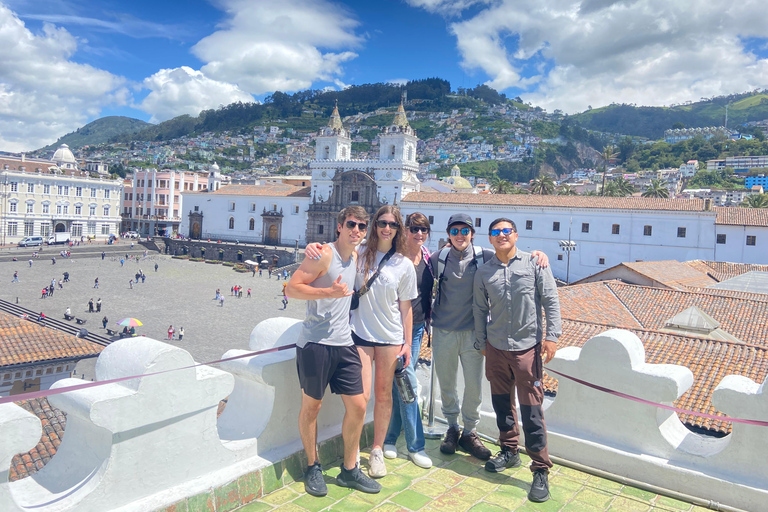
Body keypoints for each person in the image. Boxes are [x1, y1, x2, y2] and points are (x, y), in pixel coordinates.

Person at [307, 205, 418, 478]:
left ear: (398, 228)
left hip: (390, 337)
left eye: (392, 224)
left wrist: (406, 342)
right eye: (382, 222)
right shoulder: (359, 255)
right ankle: (353, 453)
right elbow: (335, 254)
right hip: (359, 335)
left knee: (383, 396)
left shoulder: (403, 264)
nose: (387, 228)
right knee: (362, 398)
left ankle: (377, 449)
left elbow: (406, 307)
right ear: (374, 226)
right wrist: (313, 246)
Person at [430, 213, 549, 461]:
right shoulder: (437, 258)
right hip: (444, 331)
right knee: (447, 383)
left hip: (475, 333)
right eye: (455, 231)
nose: (460, 235)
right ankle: (452, 427)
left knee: (474, 386)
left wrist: (539, 254)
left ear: (473, 234)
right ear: (448, 235)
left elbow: (513, 258)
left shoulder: (485, 257)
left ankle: (470, 431)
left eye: (465, 231)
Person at [285, 205, 381, 497]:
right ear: (339, 225)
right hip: (316, 344)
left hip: (344, 343)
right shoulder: (323, 254)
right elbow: (291, 288)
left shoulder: (355, 256)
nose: (357, 231)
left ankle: (350, 470)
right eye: (352, 224)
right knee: (312, 408)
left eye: (362, 227)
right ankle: (312, 466)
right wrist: (328, 292)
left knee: (359, 406)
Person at [474, 218, 561, 503]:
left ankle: (540, 468)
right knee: (501, 404)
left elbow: (550, 300)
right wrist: (481, 341)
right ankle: (509, 451)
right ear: (490, 239)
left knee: (532, 409)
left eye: (506, 231)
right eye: (496, 232)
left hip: (528, 349)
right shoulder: (484, 271)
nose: (502, 236)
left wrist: (552, 336)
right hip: (496, 347)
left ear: (516, 235)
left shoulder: (536, 263)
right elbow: (479, 308)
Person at [382, 213, 434, 469]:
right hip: (395, 330)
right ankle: (416, 446)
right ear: (405, 231)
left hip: (416, 329)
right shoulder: (394, 258)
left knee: (399, 384)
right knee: (407, 382)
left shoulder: (429, 258)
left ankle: (390, 439)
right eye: (414, 229)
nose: (419, 234)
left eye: (424, 229)